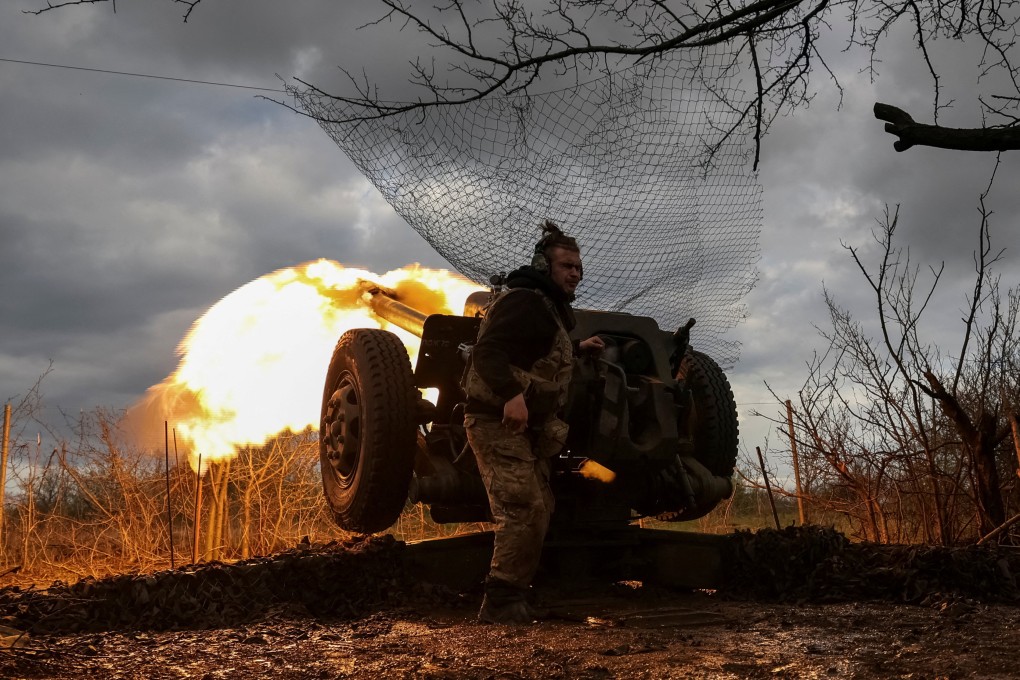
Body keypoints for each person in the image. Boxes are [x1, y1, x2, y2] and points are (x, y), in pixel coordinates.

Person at [462, 220, 605, 625]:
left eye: (578, 267)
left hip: (527, 432)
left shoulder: (547, 308)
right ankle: (500, 603)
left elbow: (535, 354)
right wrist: (511, 395)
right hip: (496, 422)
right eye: (566, 266)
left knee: (539, 506)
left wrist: (577, 348)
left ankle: (514, 596)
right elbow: (488, 352)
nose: (575, 273)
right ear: (545, 267)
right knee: (522, 507)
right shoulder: (524, 301)